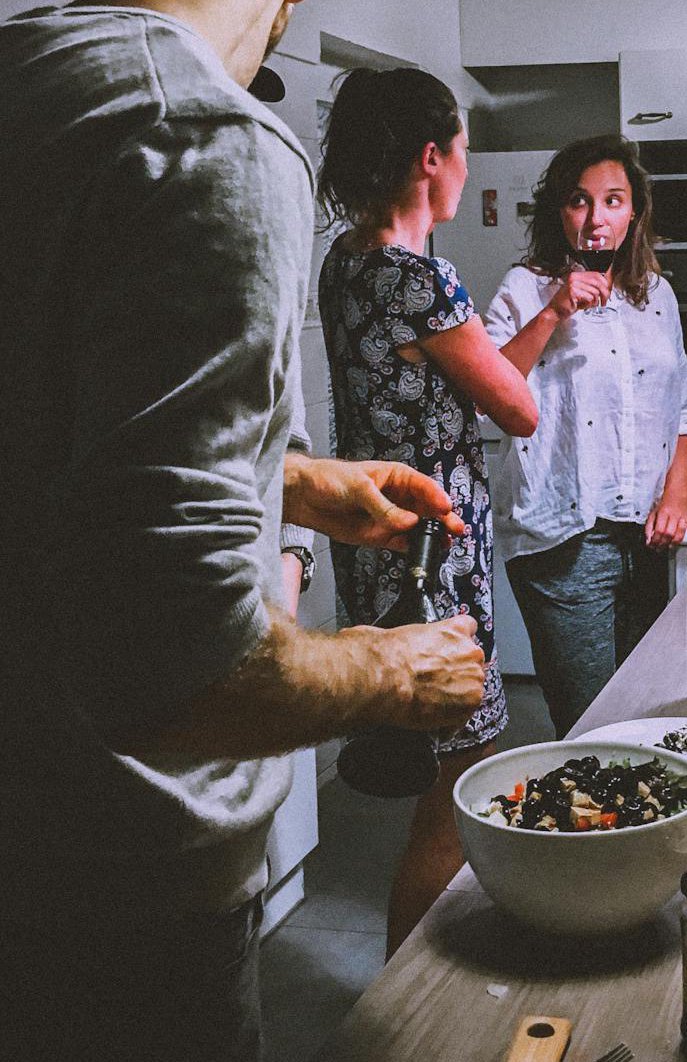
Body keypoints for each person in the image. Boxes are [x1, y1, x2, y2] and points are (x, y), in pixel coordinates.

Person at [0, 5, 486, 1060]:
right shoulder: (198, 134)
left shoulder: (30, 82)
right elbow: (178, 672)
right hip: (115, 889)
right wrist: (396, 669)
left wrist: (294, 482)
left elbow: (47, 436)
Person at [315, 66, 537, 958]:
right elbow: (515, 407)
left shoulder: (348, 263)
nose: (466, 174)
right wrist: (556, 315)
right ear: (431, 156)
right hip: (436, 558)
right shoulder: (420, 280)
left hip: (378, 547)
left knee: (439, 772)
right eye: (464, 155)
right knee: (460, 779)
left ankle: (417, 984)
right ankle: (404, 1007)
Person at [484, 134, 687, 737]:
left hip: (648, 541)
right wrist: (554, 312)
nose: (596, 218)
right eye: (580, 202)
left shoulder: (657, 295)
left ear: (634, 212)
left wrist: (675, 497)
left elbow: (680, 409)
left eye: (612, 201)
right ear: (561, 212)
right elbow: (492, 394)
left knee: (649, 718)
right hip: (564, 538)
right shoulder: (524, 287)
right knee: (592, 729)